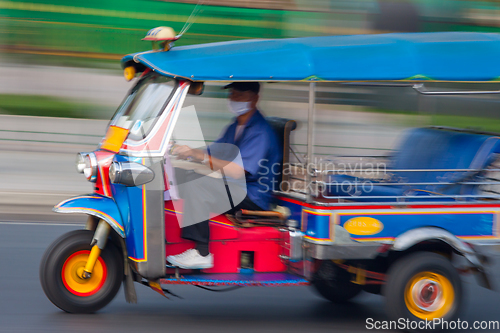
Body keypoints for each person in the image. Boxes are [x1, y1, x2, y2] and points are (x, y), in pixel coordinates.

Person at [166, 82, 281, 269]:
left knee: (198, 186)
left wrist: (199, 156)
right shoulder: (236, 125)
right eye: (232, 95)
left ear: (255, 98)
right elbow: (215, 152)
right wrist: (187, 152)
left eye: (239, 96)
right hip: (236, 187)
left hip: (253, 195)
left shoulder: (260, 132)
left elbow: (237, 171)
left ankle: (201, 252)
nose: (233, 100)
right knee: (183, 176)